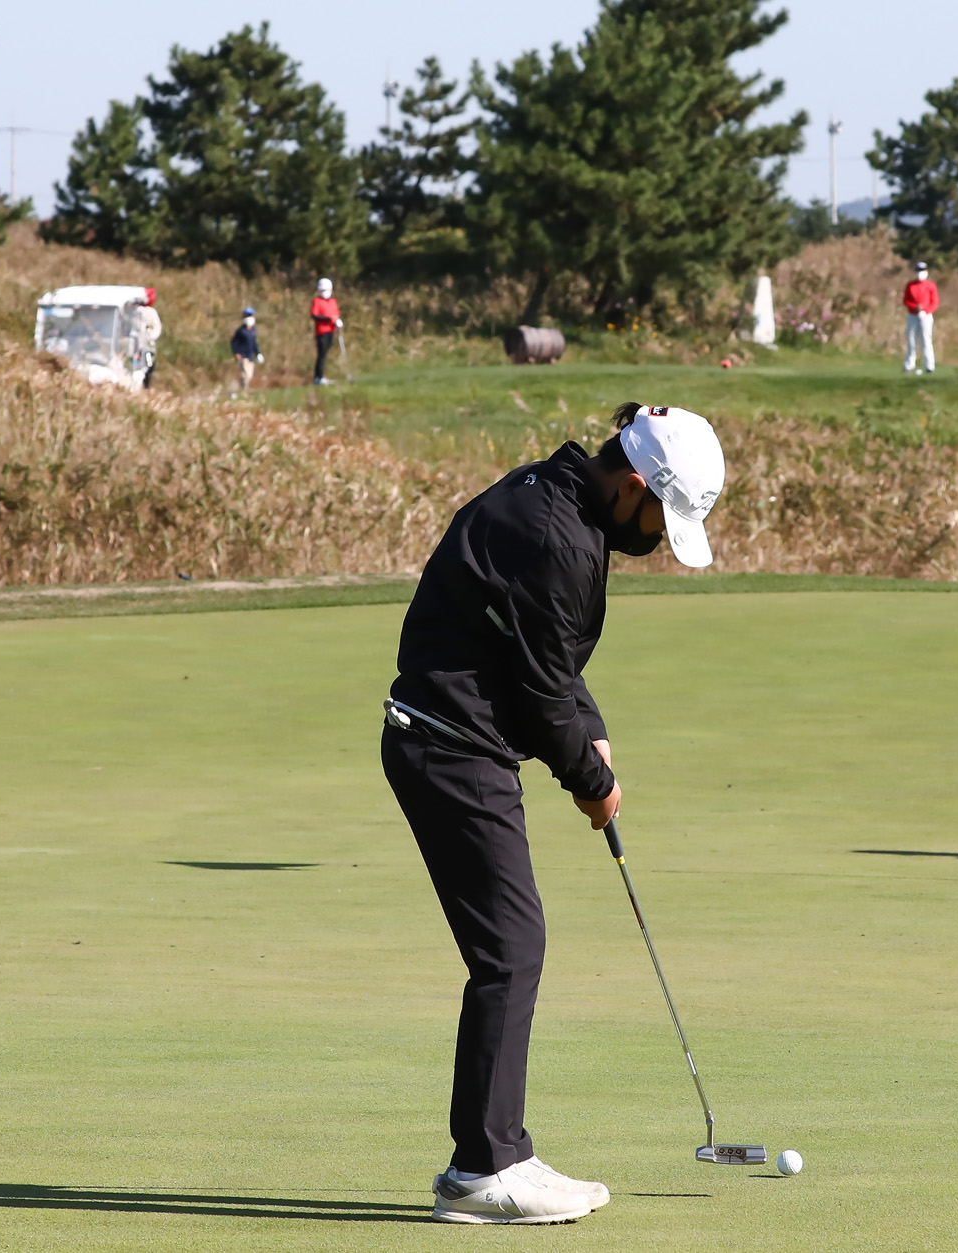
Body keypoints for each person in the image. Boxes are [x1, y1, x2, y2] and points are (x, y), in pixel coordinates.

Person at [381, 403, 727, 1224]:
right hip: (450, 745)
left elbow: (544, 652)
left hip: (455, 737)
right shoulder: (561, 537)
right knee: (511, 948)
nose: (655, 540)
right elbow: (539, 695)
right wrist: (588, 777)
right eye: (661, 518)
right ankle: (483, 1171)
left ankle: (497, 1153)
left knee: (510, 945)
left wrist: (592, 732)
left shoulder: (560, 499)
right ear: (634, 485)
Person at [902, 261, 938, 374]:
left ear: (926, 272)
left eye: (922, 271)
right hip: (913, 315)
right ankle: (909, 365)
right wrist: (914, 308)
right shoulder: (910, 285)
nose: (920, 273)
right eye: (918, 271)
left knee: (926, 340)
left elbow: (935, 302)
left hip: (926, 316)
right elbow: (906, 300)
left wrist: (926, 310)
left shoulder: (931, 286)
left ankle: (929, 366)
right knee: (911, 340)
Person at [310, 277, 342, 385]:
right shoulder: (317, 301)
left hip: (331, 330)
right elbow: (314, 315)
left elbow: (336, 315)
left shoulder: (333, 301)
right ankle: (318, 377)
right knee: (321, 354)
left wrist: (337, 322)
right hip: (321, 332)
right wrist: (328, 319)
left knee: (326, 352)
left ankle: (320, 376)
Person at [229, 308, 263, 394]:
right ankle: (244, 391)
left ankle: (235, 388)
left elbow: (254, 343)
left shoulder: (253, 330)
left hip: (250, 356)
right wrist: (236, 353)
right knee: (245, 375)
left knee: (249, 376)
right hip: (242, 356)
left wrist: (258, 353)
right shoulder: (240, 331)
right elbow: (234, 343)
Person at [135, 288, 163, 389]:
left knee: (148, 365)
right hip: (135, 346)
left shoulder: (151, 312)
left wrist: (149, 337)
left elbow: (157, 327)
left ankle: (146, 387)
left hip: (147, 347)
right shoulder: (134, 311)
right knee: (136, 366)